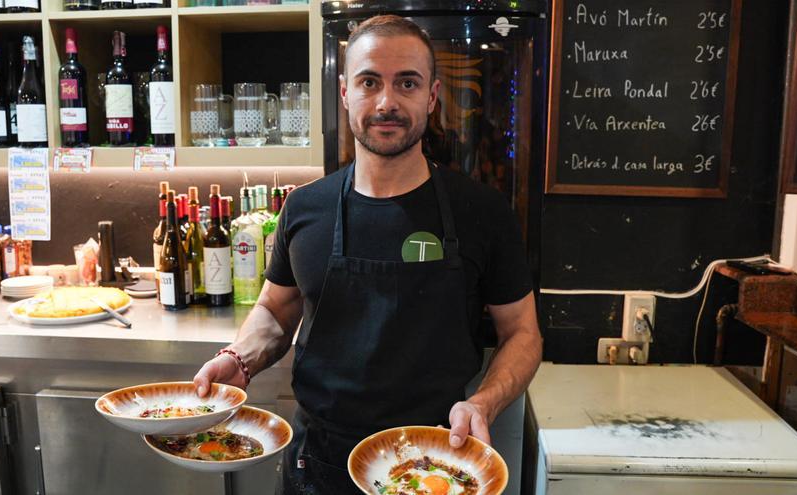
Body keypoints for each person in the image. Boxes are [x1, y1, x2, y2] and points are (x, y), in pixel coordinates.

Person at [194, 14, 542, 494]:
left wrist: (483, 403)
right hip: (317, 465)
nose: (387, 102)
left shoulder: (480, 211)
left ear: (432, 96)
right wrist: (241, 358)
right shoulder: (305, 207)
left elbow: (523, 333)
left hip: (433, 461)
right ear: (344, 93)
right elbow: (276, 310)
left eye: (407, 83)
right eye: (369, 82)